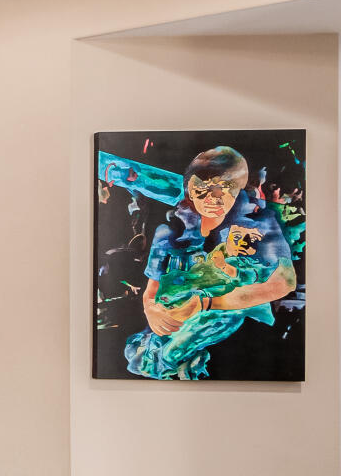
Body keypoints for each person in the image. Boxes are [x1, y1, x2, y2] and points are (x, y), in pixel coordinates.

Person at [125, 146, 296, 380]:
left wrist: (205, 304)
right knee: (149, 356)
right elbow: (151, 290)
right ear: (190, 190)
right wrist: (151, 310)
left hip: (239, 330)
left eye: (225, 189)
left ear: (237, 191)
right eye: (203, 189)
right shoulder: (169, 231)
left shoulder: (259, 221)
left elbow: (285, 282)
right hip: (175, 323)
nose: (214, 199)